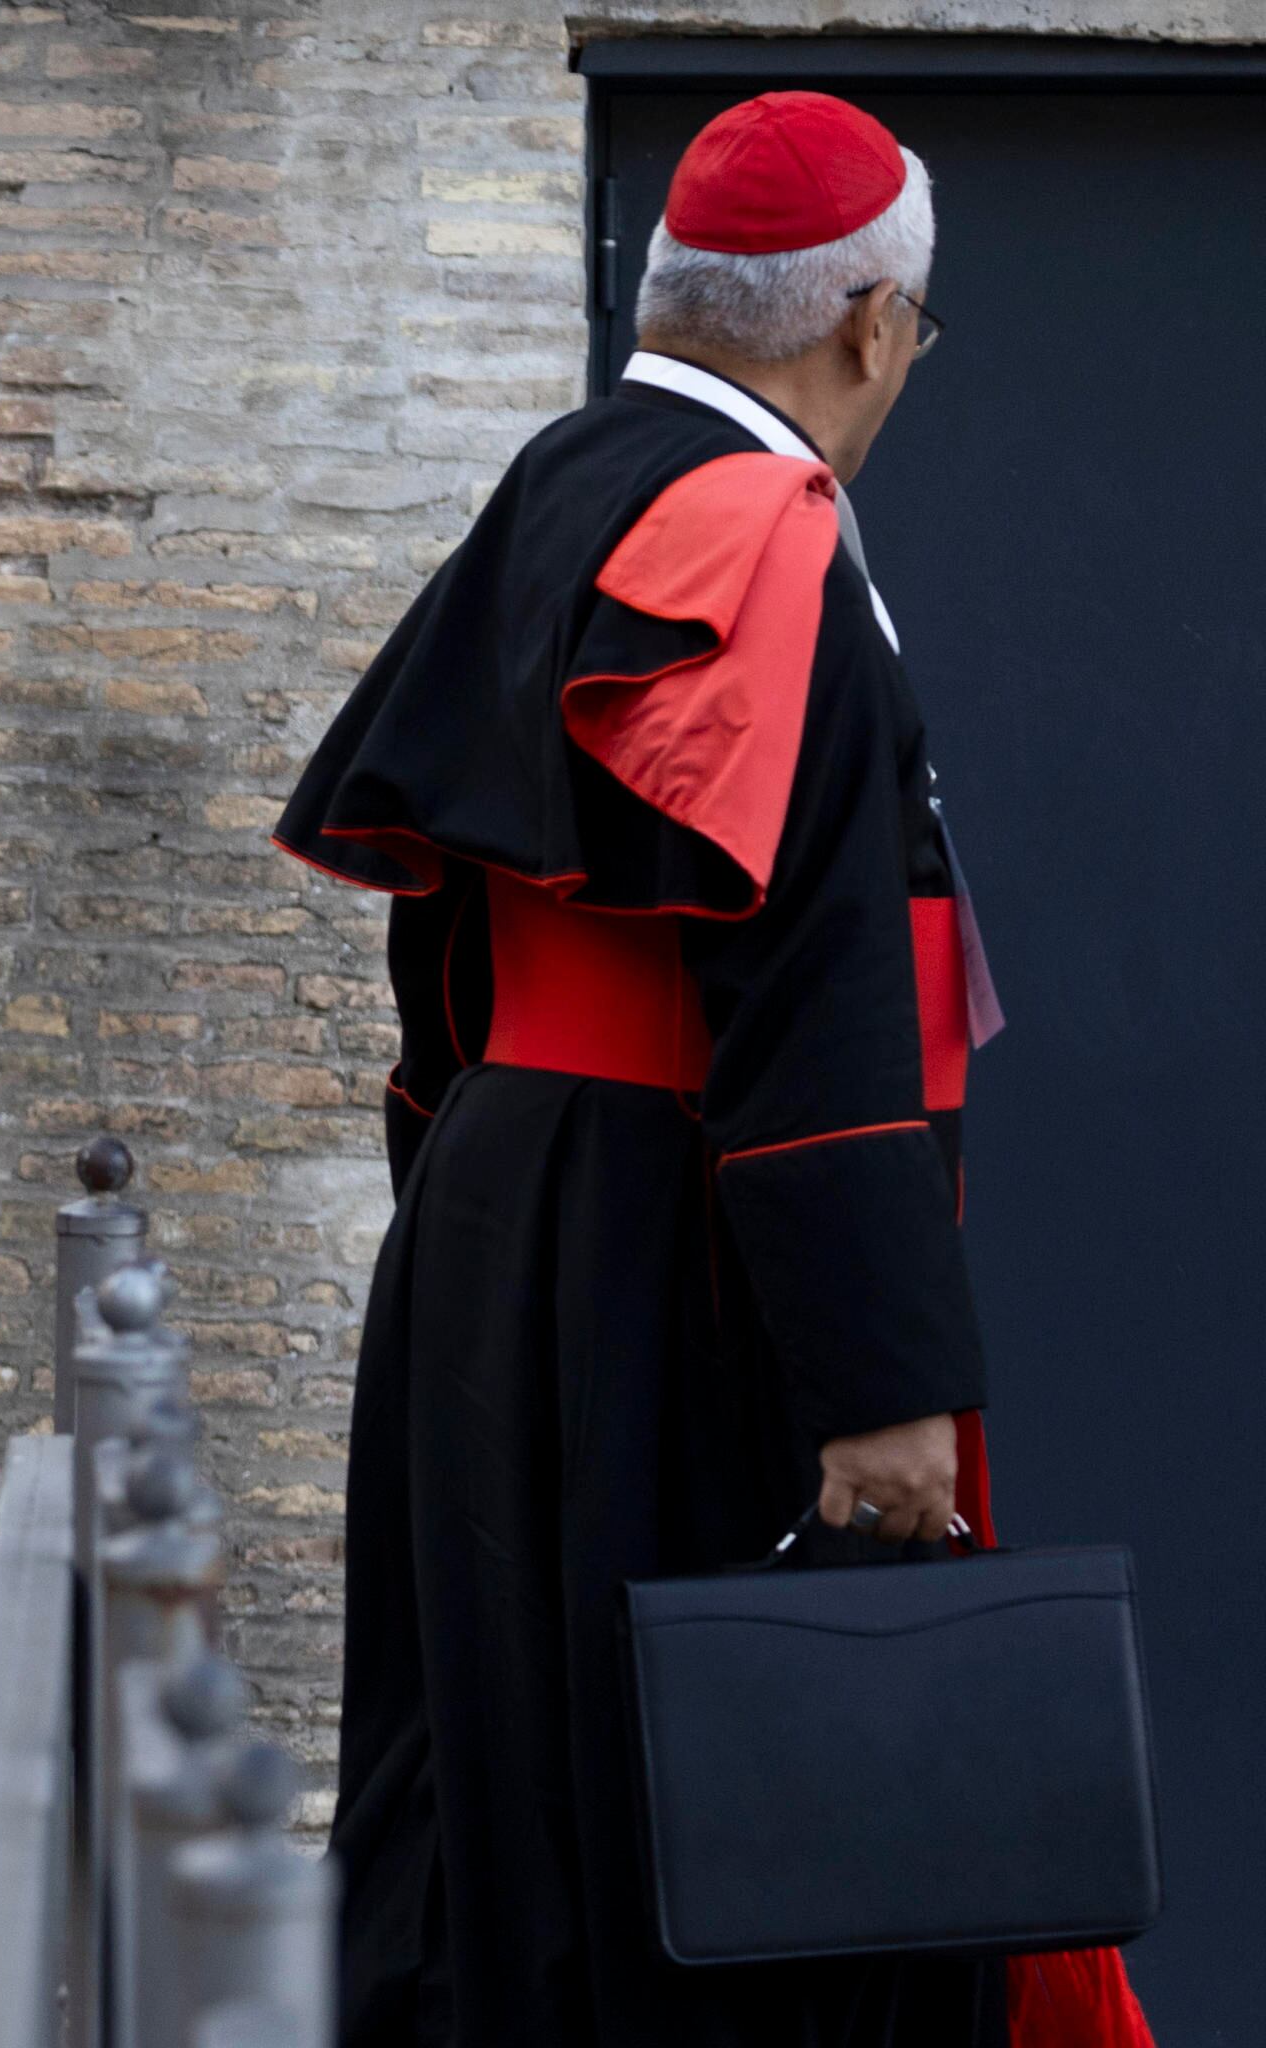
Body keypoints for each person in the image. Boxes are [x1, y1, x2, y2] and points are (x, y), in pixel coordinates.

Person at [276, 94, 1147, 2045]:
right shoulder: (760, 524)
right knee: (720, 1837)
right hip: (685, 1248)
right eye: (915, 330)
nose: (908, 366)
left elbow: (445, 920)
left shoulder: (563, 481)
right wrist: (882, 1384)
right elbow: (808, 959)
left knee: (514, 1793)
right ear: (863, 323)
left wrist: (478, 1196)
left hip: (514, 1222)